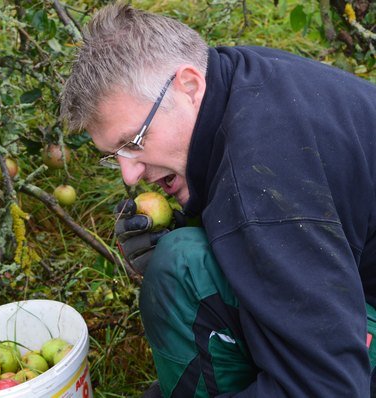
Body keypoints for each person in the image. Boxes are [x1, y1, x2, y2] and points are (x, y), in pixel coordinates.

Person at [60, 2, 376, 397]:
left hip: (350, 354)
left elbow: (330, 387)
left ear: (189, 86)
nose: (129, 174)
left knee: (182, 268)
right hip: (354, 283)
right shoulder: (240, 80)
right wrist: (198, 227)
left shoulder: (261, 183)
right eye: (114, 154)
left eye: (134, 142)